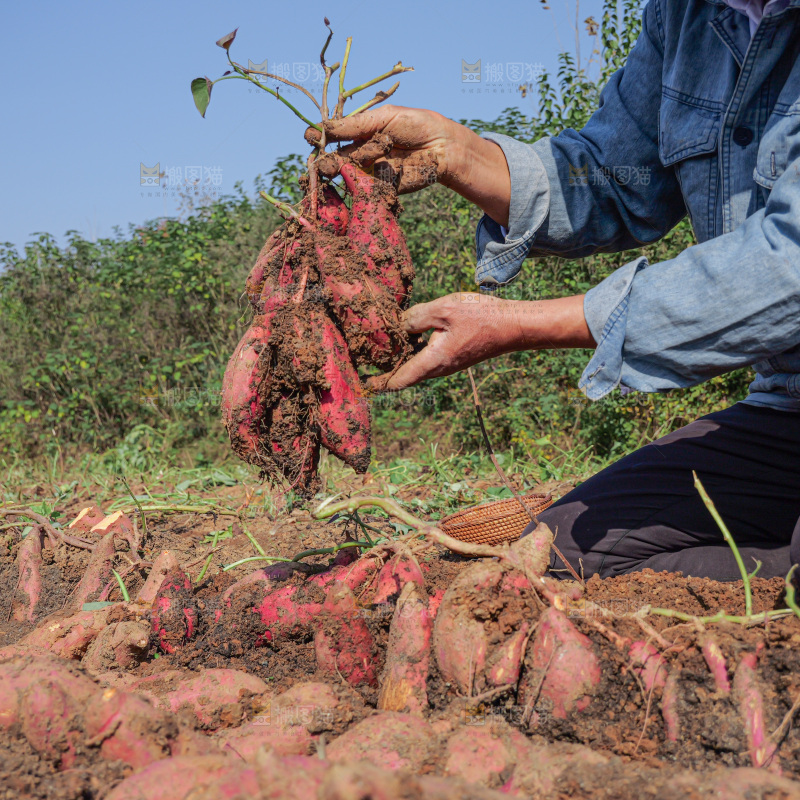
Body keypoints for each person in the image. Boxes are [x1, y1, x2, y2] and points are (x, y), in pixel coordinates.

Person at [309, 0, 800, 582]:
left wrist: (517, 324)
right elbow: (613, 175)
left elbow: (787, 264)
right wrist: (454, 153)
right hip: (786, 412)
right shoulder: (685, 15)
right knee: (557, 555)